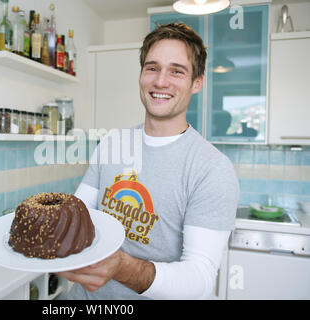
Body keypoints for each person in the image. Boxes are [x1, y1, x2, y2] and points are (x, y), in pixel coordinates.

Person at [57, 23, 240, 300]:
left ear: (197, 82)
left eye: (176, 71)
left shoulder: (212, 169)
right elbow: (77, 214)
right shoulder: (111, 143)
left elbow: (200, 278)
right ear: (142, 75)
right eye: (152, 68)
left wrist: (121, 267)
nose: (160, 82)